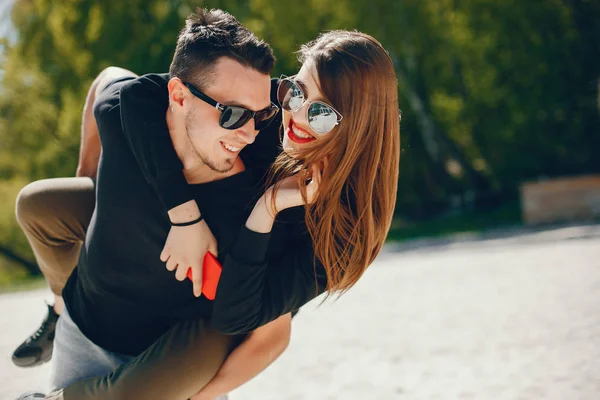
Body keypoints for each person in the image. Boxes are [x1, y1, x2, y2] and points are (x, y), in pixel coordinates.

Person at [17, 16, 400, 400]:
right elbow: (135, 94)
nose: (297, 116)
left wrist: (267, 208)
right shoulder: (263, 111)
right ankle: (59, 305)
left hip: (210, 321)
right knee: (38, 206)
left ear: (361, 126)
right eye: (297, 93)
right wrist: (122, 194)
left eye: (321, 114)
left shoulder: (343, 233)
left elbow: (261, 328)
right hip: (122, 286)